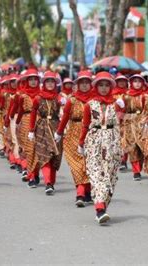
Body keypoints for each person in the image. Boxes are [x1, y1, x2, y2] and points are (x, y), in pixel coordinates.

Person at [78, 71, 125, 224]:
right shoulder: (89, 105)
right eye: (101, 85)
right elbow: (85, 125)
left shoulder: (116, 103)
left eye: (106, 85)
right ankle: (99, 209)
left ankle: (102, 205)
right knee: (97, 174)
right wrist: (80, 143)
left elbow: (121, 124)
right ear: (96, 87)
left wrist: (122, 110)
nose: (104, 88)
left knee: (110, 176)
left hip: (112, 141)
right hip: (94, 141)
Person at [55, 70, 93, 207]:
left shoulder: (95, 100)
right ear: (77, 84)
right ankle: (80, 194)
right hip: (73, 135)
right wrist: (59, 132)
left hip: (92, 134)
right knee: (77, 165)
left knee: (89, 165)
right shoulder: (72, 100)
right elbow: (65, 117)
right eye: (81, 83)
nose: (84, 85)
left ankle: (88, 192)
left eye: (86, 82)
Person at [28, 71, 63, 195]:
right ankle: (47, 182)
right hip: (42, 128)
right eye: (47, 81)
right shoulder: (38, 98)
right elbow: (33, 113)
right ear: (44, 83)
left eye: (52, 82)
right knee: (44, 155)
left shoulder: (59, 97)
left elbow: (65, 112)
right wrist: (31, 130)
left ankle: (51, 182)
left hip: (55, 127)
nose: (50, 84)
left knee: (55, 155)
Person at [120, 74, 148, 181]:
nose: (137, 83)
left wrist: (147, 119)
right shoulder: (125, 96)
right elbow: (120, 110)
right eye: (135, 81)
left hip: (142, 122)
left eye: (139, 81)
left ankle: (143, 165)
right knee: (131, 146)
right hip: (129, 122)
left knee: (142, 146)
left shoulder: (146, 96)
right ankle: (136, 171)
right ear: (131, 83)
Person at [15, 69, 40, 183]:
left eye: (35, 79)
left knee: (39, 149)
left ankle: (36, 172)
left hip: (40, 122)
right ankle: (31, 175)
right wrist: (17, 123)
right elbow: (20, 110)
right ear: (27, 81)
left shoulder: (41, 95)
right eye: (31, 79)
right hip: (26, 122)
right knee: (29, 149)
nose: (33, 82)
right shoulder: (22, 96)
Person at [112, 73, 130, 171]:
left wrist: (124, 108)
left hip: (126, 119)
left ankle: (124, 160)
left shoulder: (129, 93)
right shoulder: (112, 93)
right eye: (119, 81)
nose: (122, 83)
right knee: (115, 140)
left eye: (123, 81)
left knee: (125, 140)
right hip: (114, 120)